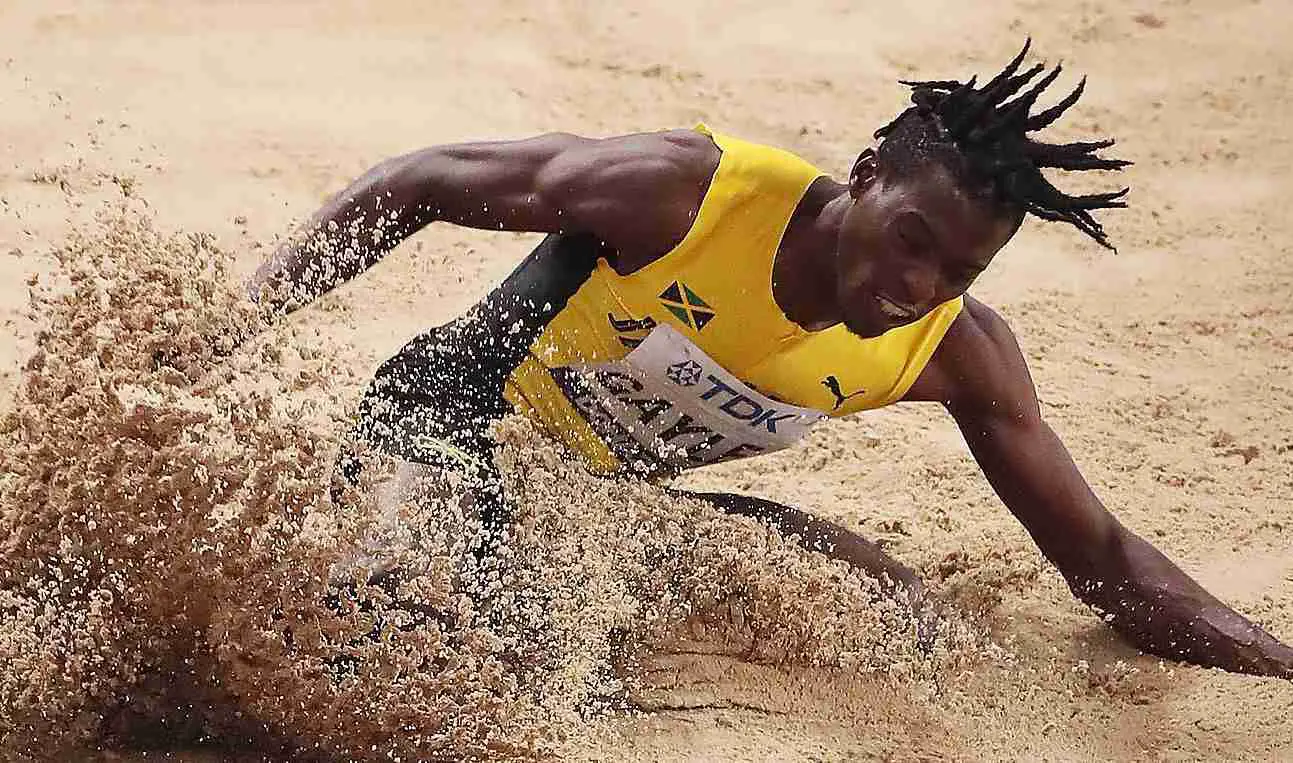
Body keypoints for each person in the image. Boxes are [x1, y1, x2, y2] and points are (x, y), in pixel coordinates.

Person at [248, 42, 1293, 678]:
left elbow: (1105, 558)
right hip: (443, 422)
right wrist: (239, 320)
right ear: (866, 176)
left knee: (907, 619)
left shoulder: (954, 351)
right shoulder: (687, 194)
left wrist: (1278, 664)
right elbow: (420, 178)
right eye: (911, 239)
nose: (916, 285)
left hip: (593, 501)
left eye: (956, 270)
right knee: (408, 623)